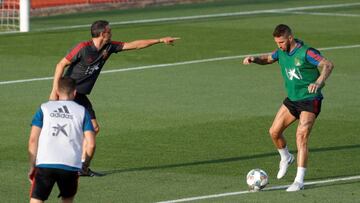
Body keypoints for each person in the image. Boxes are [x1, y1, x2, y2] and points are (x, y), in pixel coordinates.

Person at [49, 20, 179, 176]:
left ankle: (81, 168)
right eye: (109, 31)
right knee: (70, 130)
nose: (112, 33)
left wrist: (159, 40)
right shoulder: (83, 48)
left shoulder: (109, 47)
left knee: (94, 128)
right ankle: (64, 163)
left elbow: (135, 45)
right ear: (103, 33)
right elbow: (60, 65)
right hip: (69, 94)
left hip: (81, 95)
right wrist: (54, 91)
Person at [243, 24, 334, 192]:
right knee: (274, 132)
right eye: (277, 43)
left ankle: (299, 181)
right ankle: (286, 157)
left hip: (310, 100)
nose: (280, 46)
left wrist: (319, 82)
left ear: (290, 38)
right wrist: (255, 59)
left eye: (282, 42)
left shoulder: (307, 52)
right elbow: (269, 58)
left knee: (301, 135)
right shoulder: (281, 52)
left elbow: (328, 65)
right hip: (292, 100)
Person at [28, 77, 96, 202]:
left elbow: (33, 139)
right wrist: (85, 164)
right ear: (75, 92)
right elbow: (91, 144)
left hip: (45, 163)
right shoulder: (82, 111)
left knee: (37, 199)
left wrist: (32, 165)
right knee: (67, 199)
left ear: (57, 92)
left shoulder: (44, 108)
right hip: (70, 165)